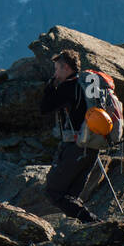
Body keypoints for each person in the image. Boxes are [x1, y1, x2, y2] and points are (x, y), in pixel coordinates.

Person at [39, 49, 98, 223]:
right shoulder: (89, 84)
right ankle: (88, 227)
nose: (55, 73)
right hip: (94, 145)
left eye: (57, 69)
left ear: (65, 67)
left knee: (54, 192)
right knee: (71, 195)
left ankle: (92, 222)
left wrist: (51, 85)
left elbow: (45, 107)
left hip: (76, 146)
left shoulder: (68, 86)